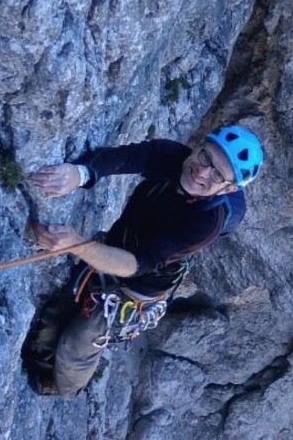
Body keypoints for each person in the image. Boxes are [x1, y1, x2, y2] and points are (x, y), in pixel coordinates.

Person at [22, 125, 264, 397]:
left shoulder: (207, 223)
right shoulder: (173, 157)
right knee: (55, 316)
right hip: (118, 246)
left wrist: (79, 246)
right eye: (206, 156)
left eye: (217, 174)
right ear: (199, 146)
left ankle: (63, 387)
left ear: (227, 189)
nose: (202, 171)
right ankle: (44, 363)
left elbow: (138, 264)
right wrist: (79, 173)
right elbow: (126, 158)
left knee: (78, 342)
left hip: (141, 286)